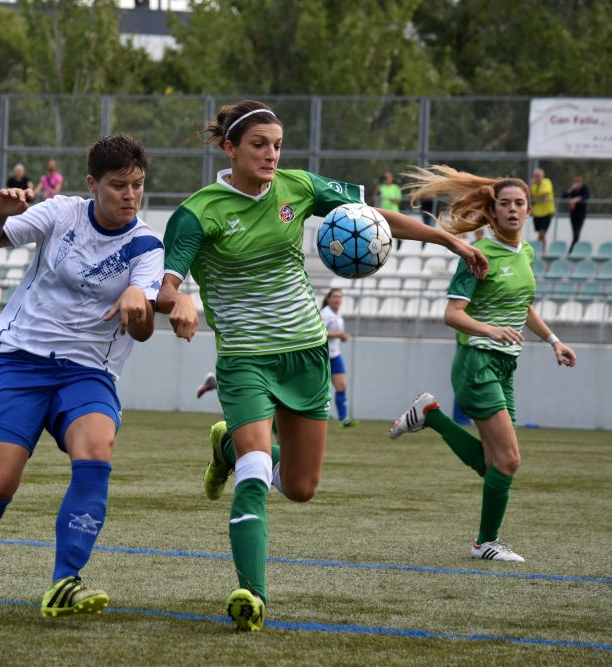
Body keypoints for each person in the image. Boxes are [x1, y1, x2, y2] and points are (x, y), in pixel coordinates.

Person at [154, 100, 487, 632]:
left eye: (278, 145)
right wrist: (180, 300)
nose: (271, 154)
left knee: (303, 487)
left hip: (306, 354)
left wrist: (446, 238)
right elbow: (164, 288)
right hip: (244, 360)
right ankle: (252, 594)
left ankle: (226, 443)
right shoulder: (199, 212)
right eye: (259, 144)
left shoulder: (300, 187)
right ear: (229, 148)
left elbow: (374, 220)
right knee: (257, 472)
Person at [0, 134, 162, 619]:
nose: (130, 196)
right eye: (118, 186)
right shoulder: (60, 212)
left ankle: (65, 580)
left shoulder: (146, 243)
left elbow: (143, 331)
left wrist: (140, 306)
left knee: (96, 449)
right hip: (20, 358)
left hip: (89, 371)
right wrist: (0, 210)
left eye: (138, 185)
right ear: (93, 184)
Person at [390, 165, 577, 563]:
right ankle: (484, 543)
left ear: (529, 211)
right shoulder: (478, 254)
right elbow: (452, 314)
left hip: (506, 367)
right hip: (477, 363)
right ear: (492, 213)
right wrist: (491, 331)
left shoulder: (525, 252)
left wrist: (554, 341)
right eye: (504, 204)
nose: (512, 209)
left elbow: (522, 305)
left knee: (495, 463)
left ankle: (432, 414)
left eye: (519, 203)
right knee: (509, 460)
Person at [320, 288, 356, 428]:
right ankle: (322, 415)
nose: (337, 299)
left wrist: (342, 336)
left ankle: (343, 419)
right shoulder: (325, 314)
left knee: (341, 386)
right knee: (323, 388)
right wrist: (338, 334)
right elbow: (319, 333)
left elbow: (337, 334)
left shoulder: (338, 314)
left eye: (340, 297)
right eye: (335, 296)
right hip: (323, 356)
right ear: (328, 299)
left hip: (335, 355)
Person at [529, 168, 555, 254]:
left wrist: (536, 198)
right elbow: (530, 195)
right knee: (540, 233)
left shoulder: (546, 182)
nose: (536, 178)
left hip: (547, 212)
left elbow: (544, 196)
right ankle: (541, 250)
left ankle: (540, 250)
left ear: (542, 176)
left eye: (538, 176)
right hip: (537, 213)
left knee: (542, 232)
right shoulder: (533, 185)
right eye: (535, 176)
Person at [562, 176, 590, 254]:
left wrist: (577, 199)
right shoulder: (572, 190)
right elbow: (563, 196)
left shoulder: (584, 188)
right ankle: (573, 250)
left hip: (581, 214)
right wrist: (570, 190)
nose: (576, 185)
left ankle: (571, 251)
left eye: (578, 183)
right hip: (573, 214)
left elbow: (587, 196)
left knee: (576, 234)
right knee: (574, 233)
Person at [379, 171, 403, 249]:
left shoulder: (395, 187)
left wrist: (392, 200)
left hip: (394, 211)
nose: (387, 179)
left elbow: (399, 200)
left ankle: (399, 241)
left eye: (388, 177)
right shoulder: (382, 187)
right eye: (385, 177)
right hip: (383, 212)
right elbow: (376, 197)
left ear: (391, 178)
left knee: (395, 228)